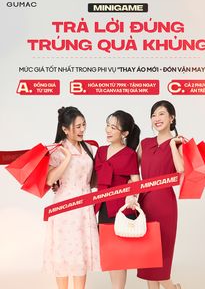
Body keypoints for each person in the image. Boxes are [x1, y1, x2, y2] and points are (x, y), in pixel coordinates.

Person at [43, 106, 100, 289]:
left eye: (84, 125)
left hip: (84, 205)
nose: (82, 130)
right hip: (64, 206)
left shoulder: (90, 148)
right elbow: (51, 179)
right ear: (65, 129)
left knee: (80, 253)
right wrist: (67, 158)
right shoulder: (57, 151)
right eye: (77, 127)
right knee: (63, 253)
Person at [137, 100, 184, 289]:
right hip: (144, 202)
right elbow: (131, 168)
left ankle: (172, 287)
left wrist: (173, 145)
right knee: (148, 256)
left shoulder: (179, 143)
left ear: (172, 118)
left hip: (165, 202)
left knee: (162, 255)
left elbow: (182, 171)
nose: (157, 118)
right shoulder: (145, 143)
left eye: (161, 113)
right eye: (154, 114)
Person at [95, 110, 140, 289]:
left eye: (113, 127)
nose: (108, 130)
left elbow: (136, 183)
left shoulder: (129, 154)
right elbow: (94, 180)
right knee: (110, 255)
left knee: (119, 256)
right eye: (108, 125)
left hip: (121, 209)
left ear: (125, 133)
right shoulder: (101, 151)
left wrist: (131, 195)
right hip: (103, 208)